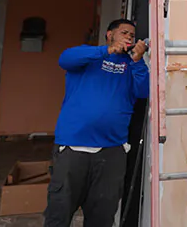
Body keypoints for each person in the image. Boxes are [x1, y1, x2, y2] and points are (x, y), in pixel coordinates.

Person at [44, 19, 149, 227]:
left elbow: (144, 92)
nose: (129, 37)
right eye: (124, 33)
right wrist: (106, 51)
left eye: (132, 35)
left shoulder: (132, 65)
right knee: (58, 214)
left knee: (102, 217)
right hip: (74, 147)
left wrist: (138, 61)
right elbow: (65, 59)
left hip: (112, 151)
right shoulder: (90, 55)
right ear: (109, 34)